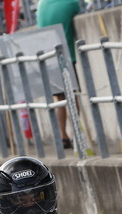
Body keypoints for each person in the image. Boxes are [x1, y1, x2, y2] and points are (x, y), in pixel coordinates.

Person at [36, 0, 81, 149]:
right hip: (66, 56)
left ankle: (63, 136)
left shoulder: (41, 4)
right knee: (72, 97)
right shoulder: (70, 2)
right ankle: (76, 136)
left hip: (49, 57)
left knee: (60, 99)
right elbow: (79, 11)